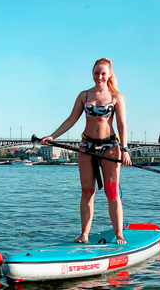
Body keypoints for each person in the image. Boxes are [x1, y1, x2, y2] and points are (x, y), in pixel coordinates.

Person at [40, 58, 131, 244]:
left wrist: (125, 150)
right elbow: (71, 119)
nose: (99, 77)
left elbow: (122, 125)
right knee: (86, 191)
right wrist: (53, 136)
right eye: (96, 73)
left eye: (103, 73)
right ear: (92, 73)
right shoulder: (84, 95)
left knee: (112, 192)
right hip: (86, 147)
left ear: (110, 74)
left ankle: (119, 234)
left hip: (110, 147)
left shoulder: (116, 97)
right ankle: (84, 234)